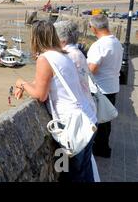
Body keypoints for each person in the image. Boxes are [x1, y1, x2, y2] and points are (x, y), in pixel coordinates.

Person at [15, 20, 97, 182]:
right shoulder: (63, 54)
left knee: (75, 176)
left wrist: (21, 83)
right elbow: (46, 83)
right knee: (84, 172)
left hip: (72, 124)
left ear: (36, 38)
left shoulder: (45, 59)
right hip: (86, 119)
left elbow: (40, 95)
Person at [87, 14, 123, 158]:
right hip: (112, 86)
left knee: (98, 121)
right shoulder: (116, 43)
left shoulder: (100, 45)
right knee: (106, 122)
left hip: (100, 89)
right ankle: (104, 148)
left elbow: (92, 69)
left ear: (94, 28)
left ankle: (100, 150)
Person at [54, 21, 96, 113]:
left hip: (75, 110)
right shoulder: (78, 52)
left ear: (62, 40)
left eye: (53, 37)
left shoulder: (67, 55)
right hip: (85, 104)